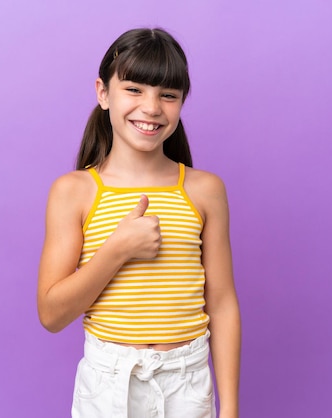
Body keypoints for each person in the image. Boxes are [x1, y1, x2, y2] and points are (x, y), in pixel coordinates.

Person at [37, 27, 241, 418]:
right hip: (108, 384)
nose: (151, 107)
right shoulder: (74, 191)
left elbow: (223, 302)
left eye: (168, 95)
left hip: (188, 382)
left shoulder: (204, 189)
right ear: (102, 92)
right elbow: (51, 314)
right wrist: (118, 250)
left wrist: (228, 409)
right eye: (134, 89)